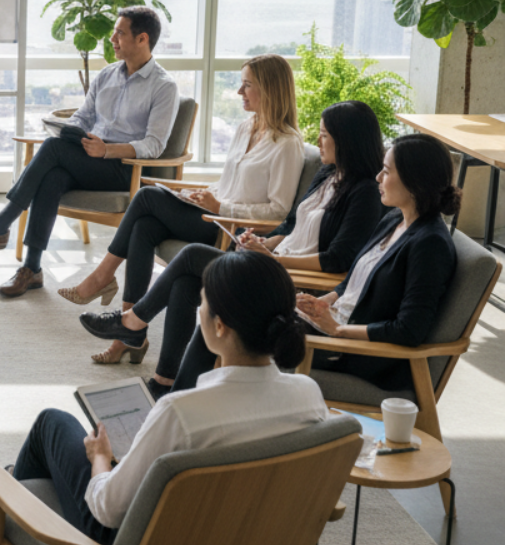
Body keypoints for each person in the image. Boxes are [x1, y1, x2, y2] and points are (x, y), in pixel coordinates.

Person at [0, 251, 326, 544]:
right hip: (242, 531)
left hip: (126, 536)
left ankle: (3, 503)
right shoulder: (309, 396)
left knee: (53, 422)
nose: (198, 311)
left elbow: (107, 509)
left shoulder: (181, 413)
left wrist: (101, 460)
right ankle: (13, 492)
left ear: (219, 327)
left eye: (201, 304)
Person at [79, 101, 385, 397]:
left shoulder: (365, 193)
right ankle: (166, 383)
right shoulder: (327, 174)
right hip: (271, 261)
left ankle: (133, 322)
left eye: (325, 135)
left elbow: (338, 259)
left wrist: (274, 259)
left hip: (286, 278)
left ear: (347, 141)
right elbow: (289, 225)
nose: (319, 140)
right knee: (186, 283)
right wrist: (263, 242)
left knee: (192, 255)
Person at [169, 133, 461, 395]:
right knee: (223, 306)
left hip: (355, 352)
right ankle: (179, 398)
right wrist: (325, 301)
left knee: (232, 319)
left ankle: (183, 405)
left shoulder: (429, 243)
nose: (377, 178)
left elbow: (409, 329)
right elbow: (354, 280)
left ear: (414, 180)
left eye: (386, 171)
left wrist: (337, 329)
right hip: (329, 323)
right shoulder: (395, 219)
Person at [58, 53, 303, 356]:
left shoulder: (288, 143)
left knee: (147, 197)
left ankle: (103, 277)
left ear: (270, 89)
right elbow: (229, 185)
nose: (240, 92)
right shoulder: (246, 128)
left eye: (247, 85)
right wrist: (199, 194)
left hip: (233, 230)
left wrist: (221, 208)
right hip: (213, 214)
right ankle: (128, 334)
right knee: (145, 226)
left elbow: (278, 211)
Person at [0, 6, 180, 297]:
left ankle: (0, 225)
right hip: (91, 160)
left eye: (120, 33)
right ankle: (31, 269)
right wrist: (70, 129)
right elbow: (83, 117)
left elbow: (154, 145)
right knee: (53, 175)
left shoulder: (164, 87)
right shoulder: (107, 75)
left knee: (52, 150)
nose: (112, 38)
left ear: (142, 39)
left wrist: (106, 150)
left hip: (124, 169)